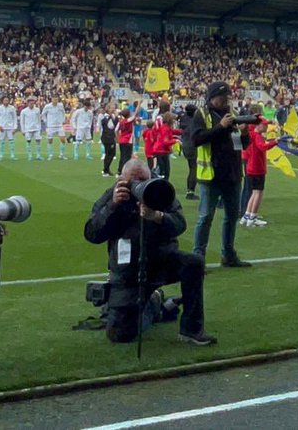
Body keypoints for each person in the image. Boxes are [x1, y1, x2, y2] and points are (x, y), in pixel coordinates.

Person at [83, 159, 215, 345]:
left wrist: (158, 217)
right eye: (133, 181)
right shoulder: (113, 194)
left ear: (150, 175)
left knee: (194, 262)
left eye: (143, 180)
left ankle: (192, 329)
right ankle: (154, 305)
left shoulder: (159, 189)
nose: (138, 185)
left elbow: (180, 223)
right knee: (120, 334)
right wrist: (113, 206)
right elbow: (92, 234)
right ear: (122, 179)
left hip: (163, 259)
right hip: (128, 270)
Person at [190, 82, 252, 267]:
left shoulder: (232, 114)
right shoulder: (201, 114)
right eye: (222, 97)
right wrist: (221, 126)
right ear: (212, 98)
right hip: (211, 175)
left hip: (232, 174)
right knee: (205, 218)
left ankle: (228, 255)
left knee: (232, 216)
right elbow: (196, 139)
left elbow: (241, 145)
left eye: (227, 97)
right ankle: (198, 259)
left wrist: (245, 133)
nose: (225, 100)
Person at [241, 116, 276, 228]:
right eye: (264, 125)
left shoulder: (251, 134)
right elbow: (263, 147)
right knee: (258, 193)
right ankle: (253, 217)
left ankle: (247, 215)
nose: (266, 127)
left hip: (251, 167)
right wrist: (275, 142)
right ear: (258, 126)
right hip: (257, 168)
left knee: (253, 193)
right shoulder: (257, 136)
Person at [179, 104, 200, 200]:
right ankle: (190, 191)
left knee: (191, 168)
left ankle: (190, 190)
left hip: (185, 145)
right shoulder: (194, 121)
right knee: (193, 169)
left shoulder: (184, 119)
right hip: (192, 145)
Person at [0, 97, 18, 161]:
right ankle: (0, 155)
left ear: (9, 101)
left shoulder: (12, 108)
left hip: (10, 127)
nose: (6, 101)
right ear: (2, 101)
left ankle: (12, 155)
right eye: (5, 100)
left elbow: (14, 118)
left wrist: (15, 127)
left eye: (7, 100)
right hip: (2, 128)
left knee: (11, 141)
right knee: (1, 141)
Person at [99, 105, 117, 177]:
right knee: (110, 153)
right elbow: (110, 126)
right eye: (112, 108)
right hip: (108, 137)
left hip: (109, 137)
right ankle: (105, 170)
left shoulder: (111, 117)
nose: (114, 109)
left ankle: (107, 169)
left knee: (110, 154)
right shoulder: (105, 117)